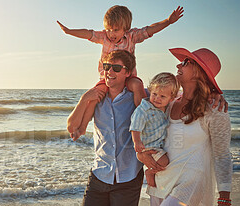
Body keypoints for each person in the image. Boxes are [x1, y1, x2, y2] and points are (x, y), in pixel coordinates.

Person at [111, 48, 232, 206]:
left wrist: (225, 197)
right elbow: (140, 103)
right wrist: (141, 153)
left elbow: (222, 154)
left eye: (186, 62)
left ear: (199, 72)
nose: (179, 65)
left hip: (192, 180)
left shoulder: (215, 109)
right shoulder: (169, 101)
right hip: (163, 177)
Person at [58, 5, 184, 140]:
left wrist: (168, 21)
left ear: (126, 28)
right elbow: (89, 33)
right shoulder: (104, 37)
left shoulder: (132, 36)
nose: (111, 34)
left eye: (116, 30)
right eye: (108, 29)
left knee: (136, 85)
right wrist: (69, 31)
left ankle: (144, 119)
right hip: (106, 79)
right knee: (95, 96)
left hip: (129, 77)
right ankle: (82, 128)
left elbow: (149, 30)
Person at [67, 50, 143, 206]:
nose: (109, 71)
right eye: (107, 66)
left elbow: (154, 114)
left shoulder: (136, 97)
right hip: (100, 172)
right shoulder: (96, 97)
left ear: (127, 72)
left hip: (128, 175)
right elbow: (73, 128)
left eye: (116, 68)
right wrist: (84, 98)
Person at [130, 72, 180, 187]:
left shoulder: (166, 107)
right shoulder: (144, 110)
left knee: (166, 163)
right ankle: (149, 174)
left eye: (162, 96)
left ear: (171, 98)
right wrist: (136, 142)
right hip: (148, 146)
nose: (157, 98)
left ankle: (154, 182)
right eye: (154, 94)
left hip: (158, 144)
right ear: (150, 91)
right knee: (164, 163)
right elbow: (135, 127)